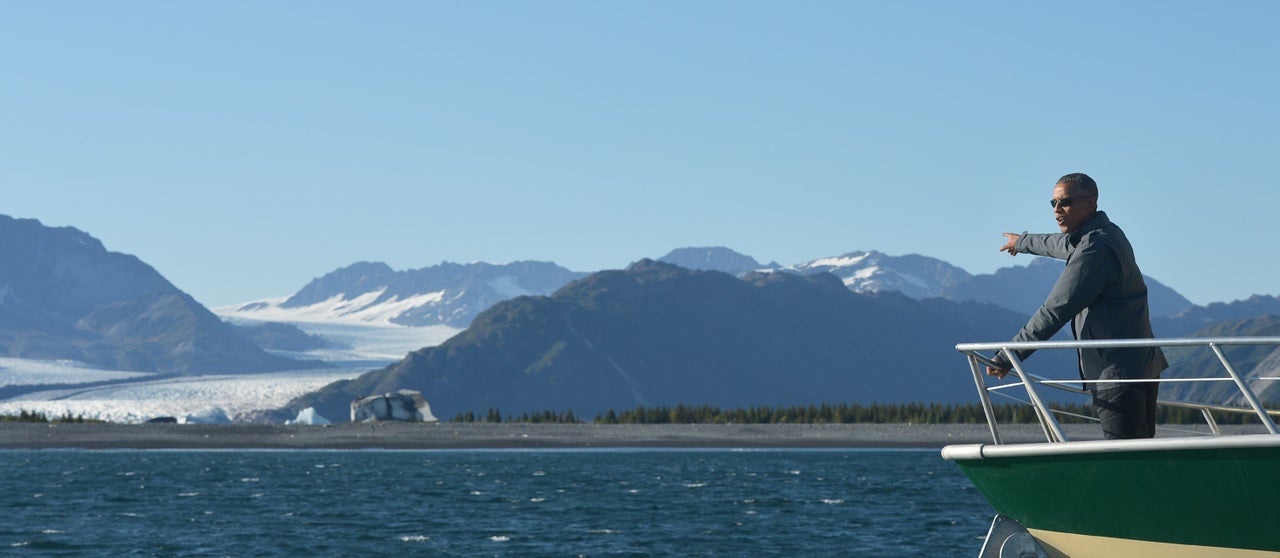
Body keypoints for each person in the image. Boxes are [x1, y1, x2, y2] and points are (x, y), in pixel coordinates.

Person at [985, 172, 1168, 439]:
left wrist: (1008, 355)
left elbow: (1056, 309)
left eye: (1066, 202)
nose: (1057, 210)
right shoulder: (1105, 233)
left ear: (1090, 203)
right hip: (1139, 365)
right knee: (1138, 456)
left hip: (1116, 373)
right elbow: (1061, 244)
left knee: (1124, 461)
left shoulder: (1094, 249)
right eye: (1053, 203)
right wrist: (1022, 242)